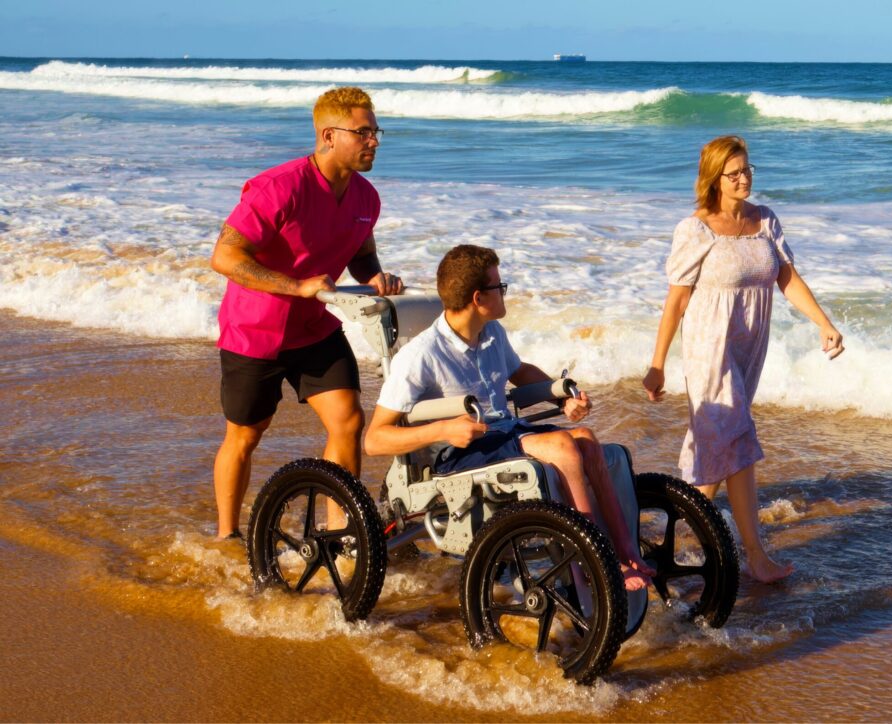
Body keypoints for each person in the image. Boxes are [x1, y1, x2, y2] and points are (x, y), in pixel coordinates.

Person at [364, 244, 655, 591]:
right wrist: (443, 429)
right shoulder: (421, 355)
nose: (504, 294)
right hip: (461, 453)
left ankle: (625, 553)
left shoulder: (491, 334)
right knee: (563, 445)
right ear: (478, 298)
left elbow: (520, 372)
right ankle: (590, 558)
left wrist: (562, 395)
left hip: (504, 434)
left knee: (587, 439)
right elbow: (375, 439)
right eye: (499, 287)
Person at [642, 135, 844, 583]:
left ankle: (676, 530)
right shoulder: (695, 229)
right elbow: (675, 302)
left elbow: (787, 279)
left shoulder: (764, 220)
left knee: (718, 444)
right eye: (734, 172)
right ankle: (755, 555)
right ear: (714, 179)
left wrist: (822, 323)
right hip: (708, 344)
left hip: (749, 344)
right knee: (738, 438)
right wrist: (657, 363)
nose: (744, 178)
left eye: (748, 169)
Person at [209, 86, 403, 540]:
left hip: (315, 330)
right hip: (254, 333)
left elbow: (362, 255)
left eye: (376, 131)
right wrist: (297, 286)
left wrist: (375, 277)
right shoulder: (278, 188)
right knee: (245, 435)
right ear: (328, 135)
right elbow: (224, 256)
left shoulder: (366, 198)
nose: (374, 141)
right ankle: (226, 535)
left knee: (349, 421)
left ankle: (341, 531)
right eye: (364, 132)